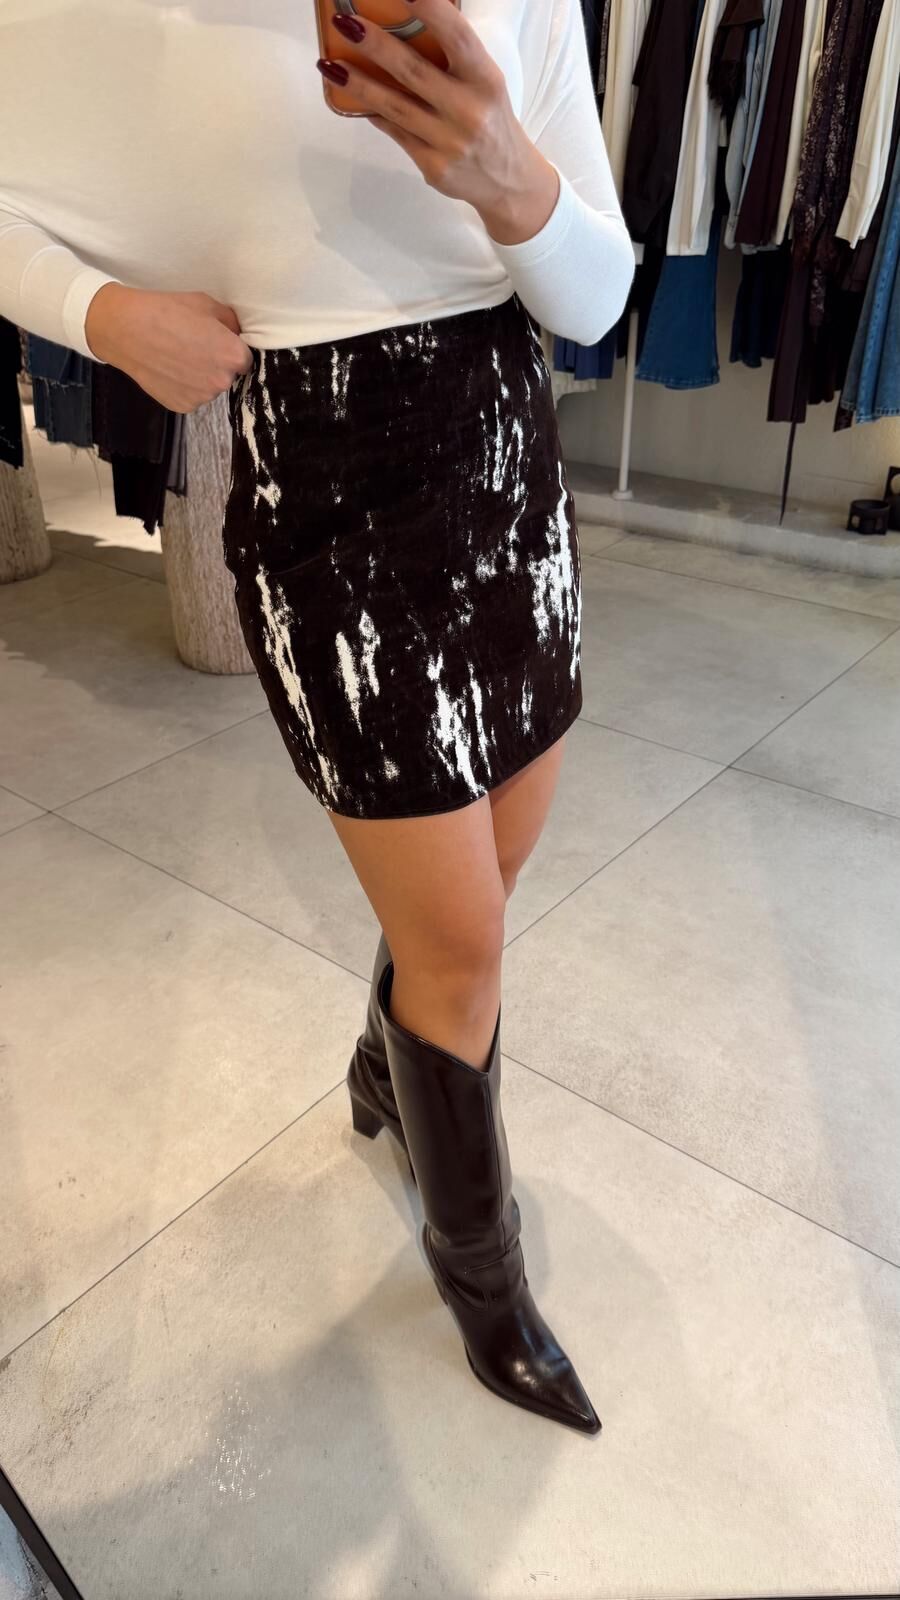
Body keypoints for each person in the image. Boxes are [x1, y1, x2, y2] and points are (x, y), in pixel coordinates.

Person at [0, 0, 634, 1434]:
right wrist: (103, 317)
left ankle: (385, 1067)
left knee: (489, 883)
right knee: (462, 939)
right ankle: (481, 1272)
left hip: (506, 454)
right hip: (331, 491)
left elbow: (596, 297)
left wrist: (507, 175)